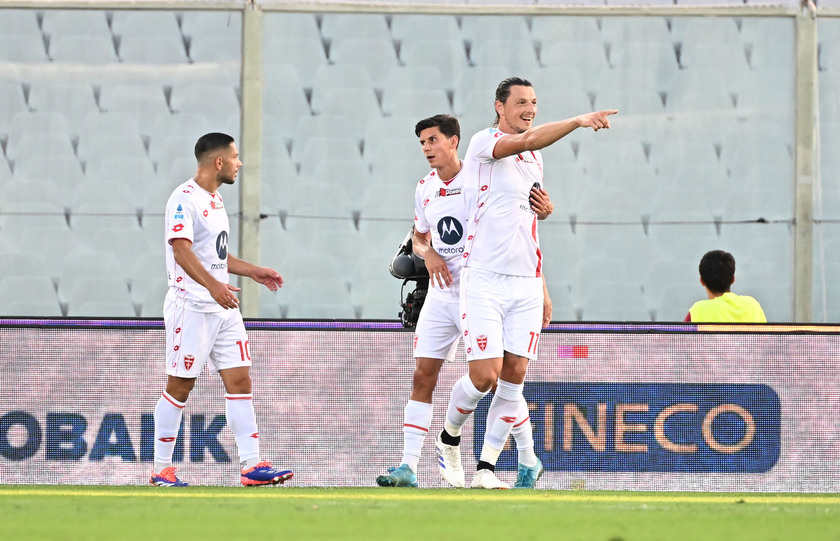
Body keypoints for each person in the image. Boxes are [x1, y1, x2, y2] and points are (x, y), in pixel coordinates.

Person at [443, 77, 617, 489]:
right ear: (500, 107)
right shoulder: (483, 144)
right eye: (521, 102)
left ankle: (486, 468)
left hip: (524, 282)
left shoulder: (535, 160)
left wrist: (542, 280)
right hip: (484, 276)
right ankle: (448, 438)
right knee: (485, 375)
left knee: (515, 375)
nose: (530, 109)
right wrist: (577, 121)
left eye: (534, 102)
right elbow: (526, 140)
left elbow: (527, 221)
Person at [375, 114, 555, 489]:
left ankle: (521, 455)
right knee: (424, 376)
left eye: (433, 140)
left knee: (498, 379)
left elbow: (521, 233)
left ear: (454, 141)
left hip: (480, 290)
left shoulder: (482, 178)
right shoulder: (425, 188)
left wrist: (542, 288)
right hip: (441, 296)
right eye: (422, 142)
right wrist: (428, 255)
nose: (427, 148)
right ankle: (408, 466)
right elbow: (419, 237)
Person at [150, 132, 293, 487]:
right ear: (219, 162)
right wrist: (212, 286)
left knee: (241, 379)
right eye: (235, 157)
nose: (239, 163)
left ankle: (251, 466)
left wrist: (252, 270)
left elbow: (214, 256)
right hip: (192, 306)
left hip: (223, 305)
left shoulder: (214, 200)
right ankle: (160, 469)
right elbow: (181, 251)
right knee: (181, 385)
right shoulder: (184, 199)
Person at [684, 250, 767, 322]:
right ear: (733, 280)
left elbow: (679, 338)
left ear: (702, 281)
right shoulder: (753, 306)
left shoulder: (698, 311)